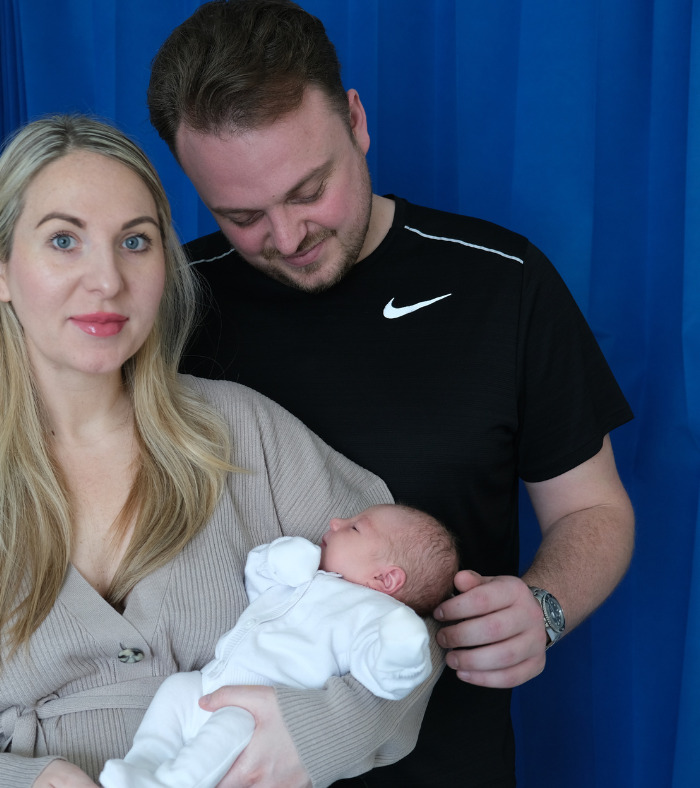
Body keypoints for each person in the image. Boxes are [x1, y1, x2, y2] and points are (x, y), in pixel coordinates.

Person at [0, 114, 445, 788]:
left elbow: (409, 631)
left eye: (135, 241)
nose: (107, 280)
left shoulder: (248, 433)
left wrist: (316, 734)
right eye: (64, 240)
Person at [147, 1, 636, 785]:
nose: (287, 235)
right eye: (241, 215)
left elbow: (593, 509)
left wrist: (543, 607)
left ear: (356, 122)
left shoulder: (500, 284)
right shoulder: (166, 308)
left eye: (310, 190)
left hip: (444, 763)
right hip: (207, 760)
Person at [99, 504, 458, 788]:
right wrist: (281, 560)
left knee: (226, 731)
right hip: (211, 681)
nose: (335, 522)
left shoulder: (375, 616)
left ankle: (173, 783)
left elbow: (385, 677)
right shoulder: (310, 578)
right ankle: (143, 765)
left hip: (261, 708)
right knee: (176, 691)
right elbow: (259, 587)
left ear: (386, 578)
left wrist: (401, 643)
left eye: (354, 527)